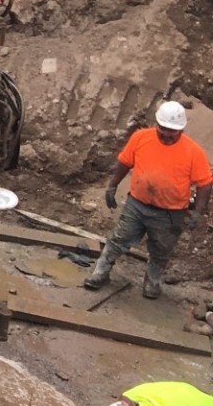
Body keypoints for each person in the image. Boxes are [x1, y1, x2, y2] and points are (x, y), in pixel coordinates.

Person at [87, 100, 213, 299]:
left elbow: (205, 184)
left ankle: (152, 282)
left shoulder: (193, 152)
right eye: (162, 128)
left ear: (180, 129)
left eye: (172, 131)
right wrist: (112, 186)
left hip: (170, 213)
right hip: (137, 204)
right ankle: (100, 272)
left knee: (162, 249)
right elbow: (124, 162)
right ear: (157, 123)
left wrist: (198, 211)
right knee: (119, 239)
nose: (166, 134)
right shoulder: (141, 138)